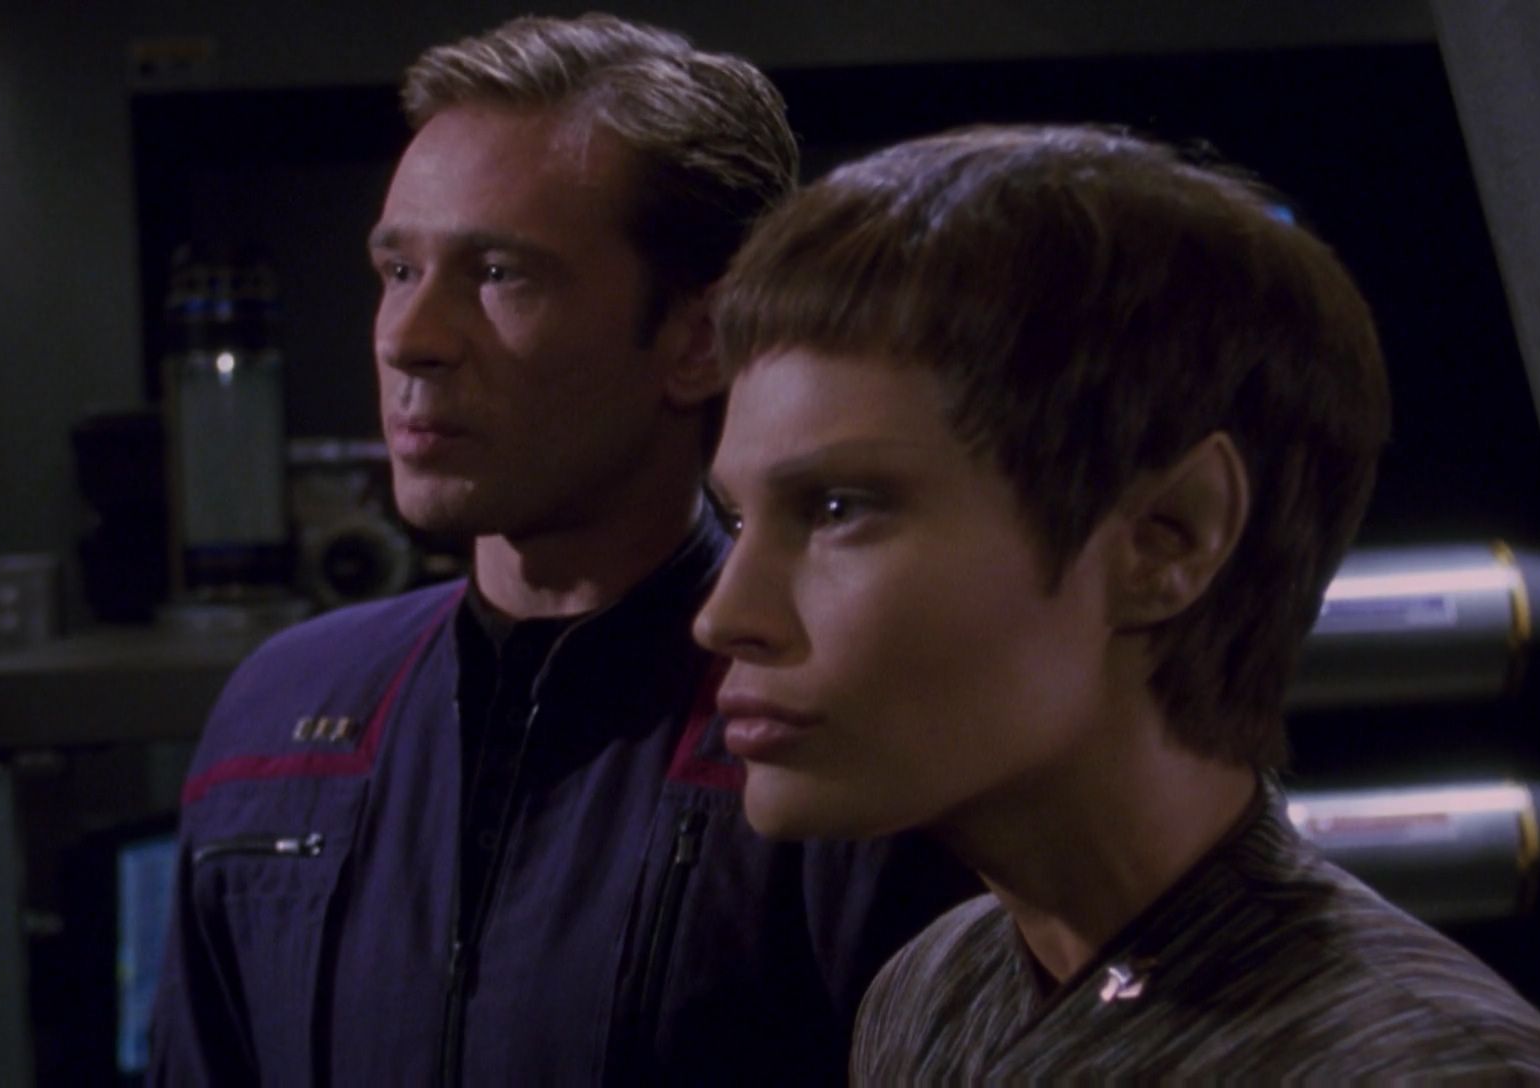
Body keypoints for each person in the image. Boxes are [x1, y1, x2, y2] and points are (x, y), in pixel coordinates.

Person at [148, 14, 971, 1085]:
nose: (408, 338)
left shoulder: (830, 742)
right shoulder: (282, 718)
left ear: (699, 338)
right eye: (397, 269)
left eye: (499, 273)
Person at [696, 124, 1540, 1081]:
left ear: (1165, 539)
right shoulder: (939, 986)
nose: (724, 616)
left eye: (837, 509)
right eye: (737, 520)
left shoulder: (1426, 1071)